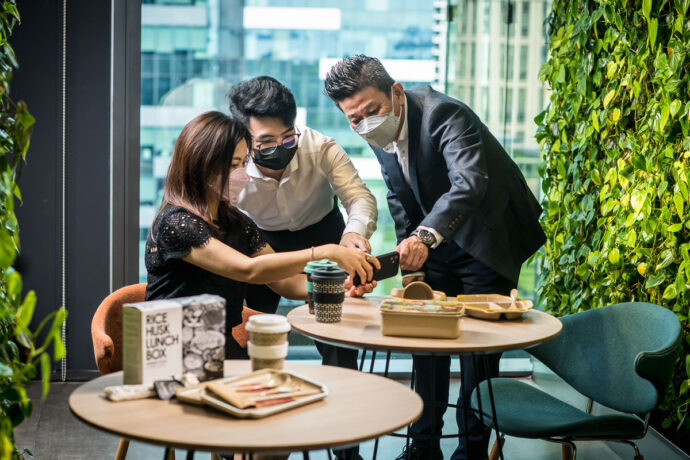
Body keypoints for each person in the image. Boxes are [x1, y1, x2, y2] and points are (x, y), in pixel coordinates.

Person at [324, 55, 546, 460]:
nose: (365, 123)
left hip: (487, 236)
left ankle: (471, 452)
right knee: (425, 344)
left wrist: (424, 236)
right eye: (354, 119)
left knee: (479, 355)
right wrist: (414, 270)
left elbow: (470, 181)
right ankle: (422, 447)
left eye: (371, 111)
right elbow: (398, 196)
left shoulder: (444, 113)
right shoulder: (379, 134)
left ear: (395, 92)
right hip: (439, 244)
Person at [145, 111, 378, 361]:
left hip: (215, 344)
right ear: (200, 164)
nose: (241, 173)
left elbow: (285, 283)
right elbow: (250, 270)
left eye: (243, 162)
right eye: (231, 165)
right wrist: (326, 252)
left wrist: (342, 287)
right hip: (171, 349)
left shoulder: (237, 222)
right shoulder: (177, 223)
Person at [229, 77, 377, 460]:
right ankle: (246, 443)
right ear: (244, 135)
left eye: (286, 137)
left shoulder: (320, 147)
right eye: (264, 141)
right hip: (259, 242)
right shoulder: (233, 163)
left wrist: (353, 236)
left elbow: (359, 198)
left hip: (325, 237)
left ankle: (347, 451)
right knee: (246, 338)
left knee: (339, 346)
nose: (278, 148)